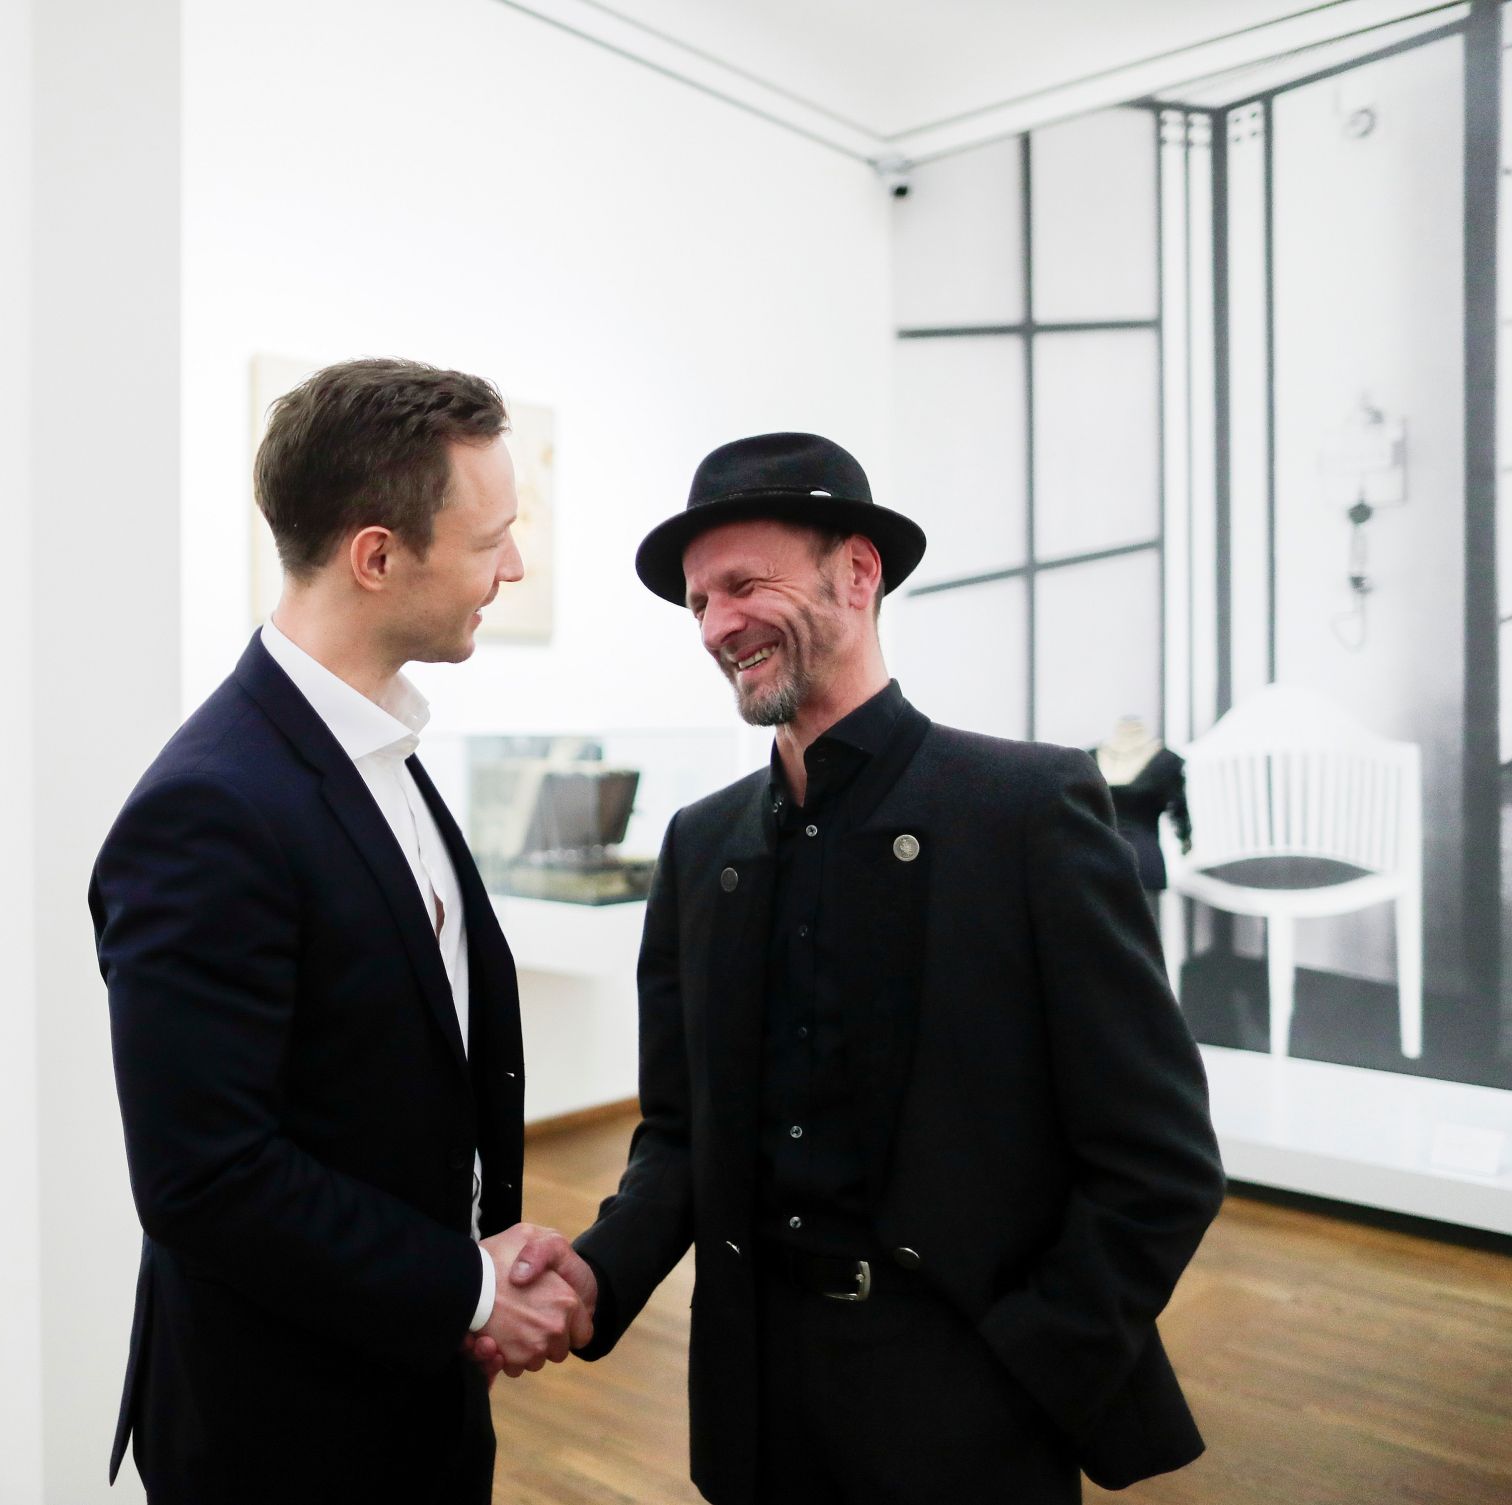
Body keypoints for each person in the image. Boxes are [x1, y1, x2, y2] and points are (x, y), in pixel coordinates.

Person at [494, 432, 1226, 1503]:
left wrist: (1030, 1356)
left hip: (965, 1407)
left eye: (745, 583)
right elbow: (681, 1134)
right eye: (698, 602)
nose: (718, 624)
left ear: (857, 571)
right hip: (753, 1407)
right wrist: (597, 1270)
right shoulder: (702, 846)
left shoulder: (1027, 810)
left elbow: (1159, 1157)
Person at [89, 358, 590, 1504]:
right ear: (376, 555)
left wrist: (478, 1260)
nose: (510, 567)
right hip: (285, 1428)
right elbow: (205, 1176)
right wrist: (466, 1284)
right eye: (489, 540)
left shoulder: (373, 749)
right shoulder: (210, 805)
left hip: (401, 1377)